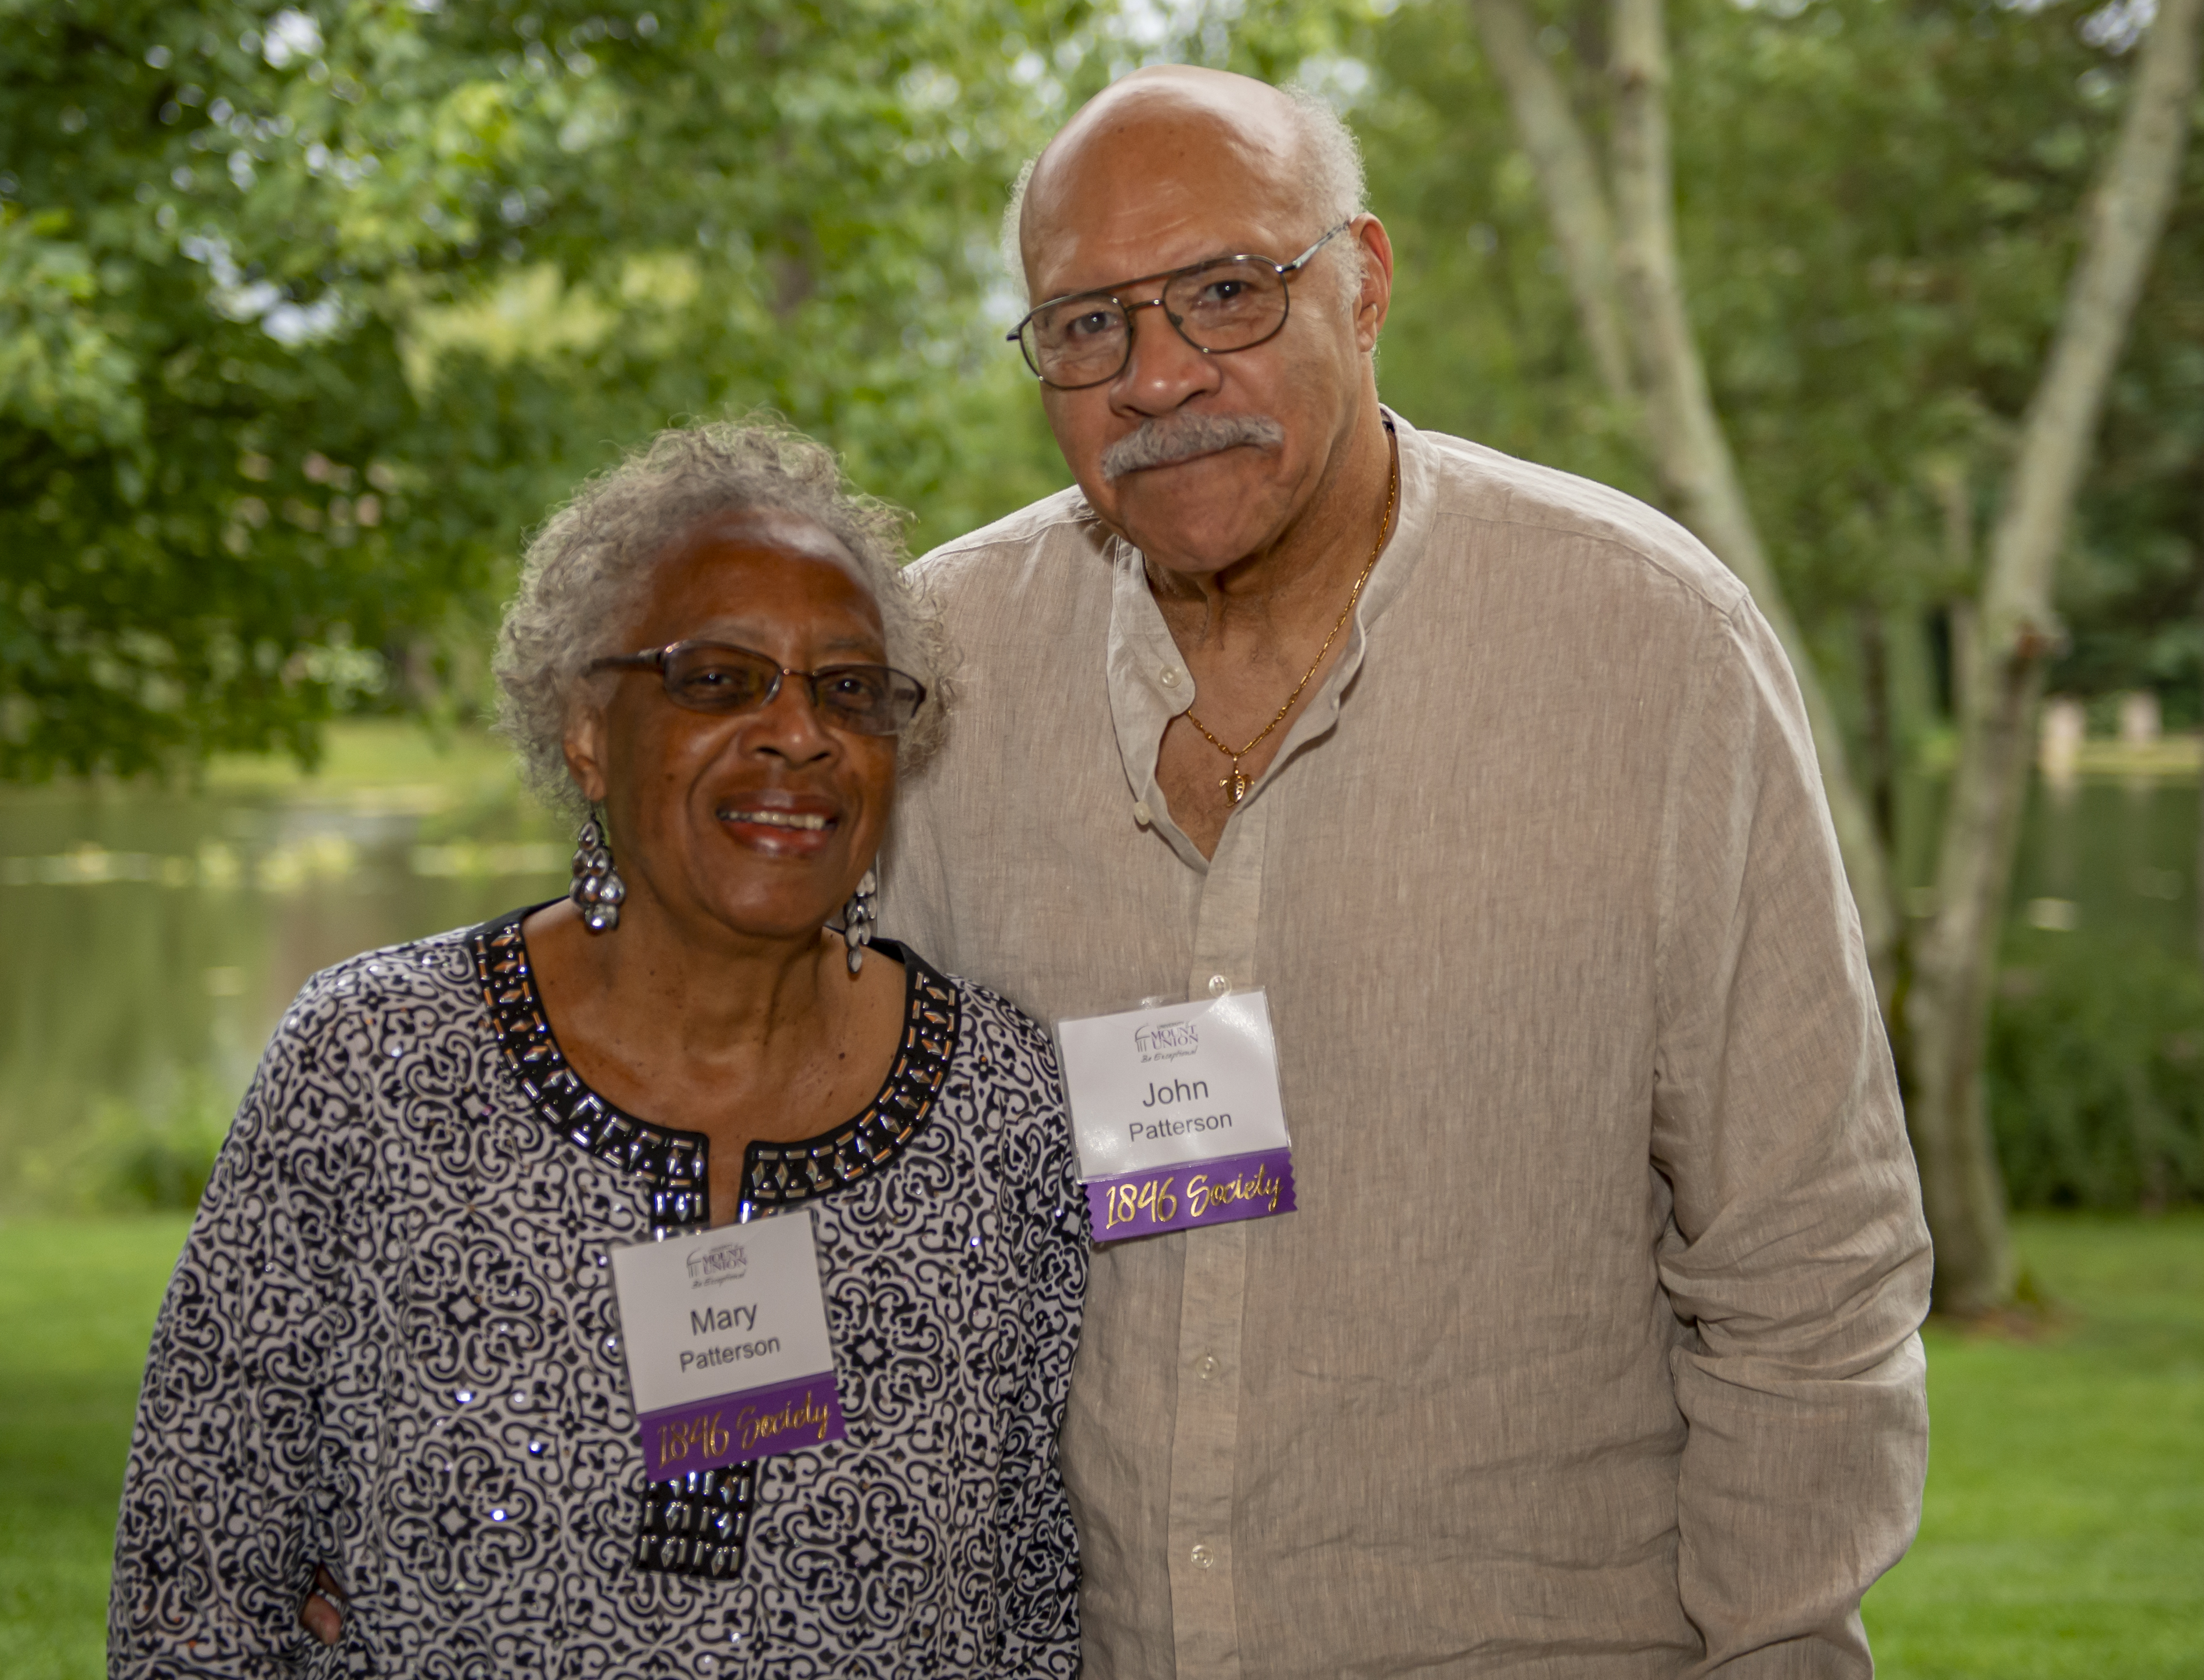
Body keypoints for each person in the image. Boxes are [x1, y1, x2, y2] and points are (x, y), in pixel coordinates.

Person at [882, 66, 1933, 1677]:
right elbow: (782, 1190)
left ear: (1362, 280)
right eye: (1085, 323)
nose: (1158, 374)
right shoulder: (933, 676)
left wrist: (1780, 1650)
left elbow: (1806, 1265)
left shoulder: (1643, 649)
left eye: (1224, 293)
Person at [108, 422, 1087, 1677]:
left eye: (848, 688)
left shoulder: (996, 1108)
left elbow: (1032, 1609)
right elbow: (192, 1595)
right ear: (586, 730)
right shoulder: (371, 1065)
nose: (798, 732)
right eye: (719, 678)